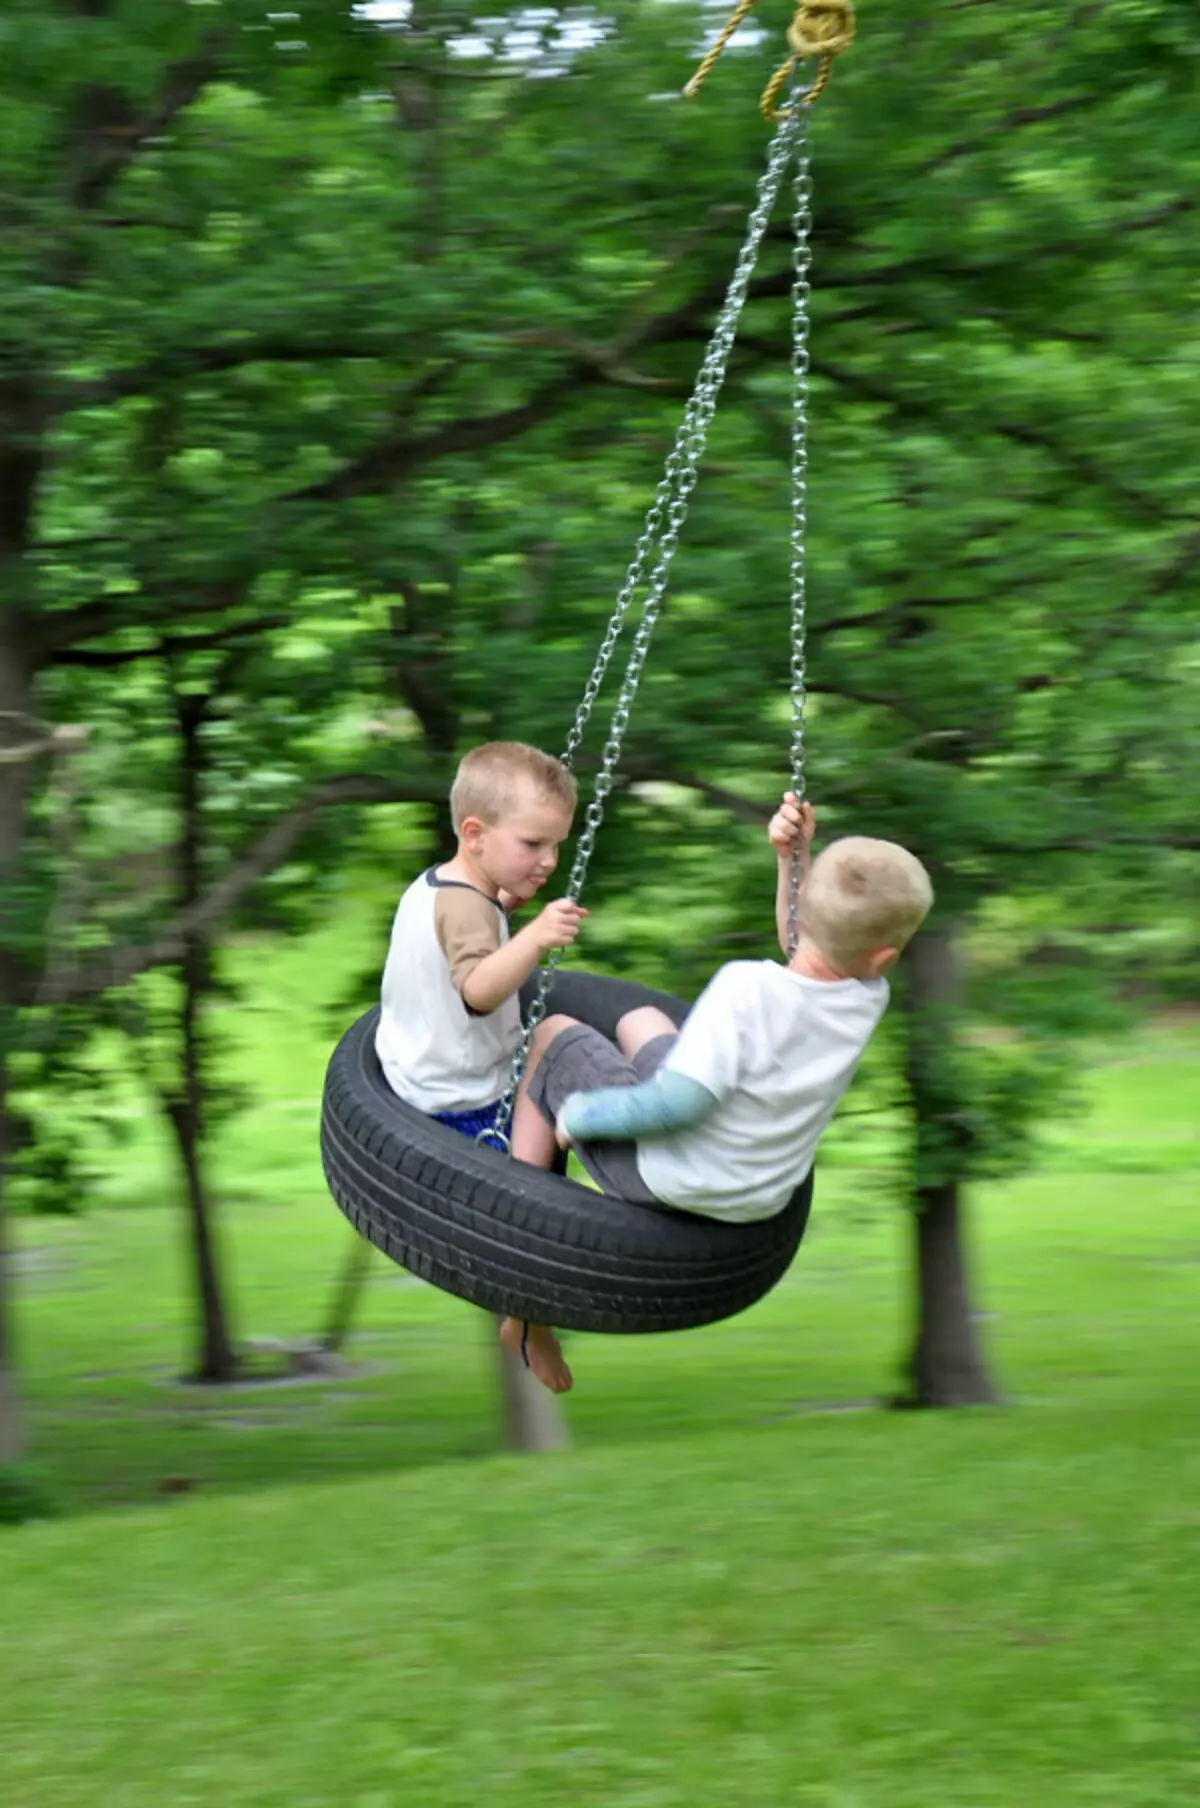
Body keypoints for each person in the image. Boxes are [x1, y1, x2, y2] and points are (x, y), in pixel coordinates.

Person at [507, 794, 934, 1394]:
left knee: (551, 1036)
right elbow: (812, 946)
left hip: (671, 1175)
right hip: (753, 1192)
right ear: (884, 956)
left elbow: (678, 1105)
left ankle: (523, 1298)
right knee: (640, 1022)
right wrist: (794, 859)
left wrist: (581, 1116)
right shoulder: (866, 997)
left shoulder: (745, 990)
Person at [376, 741, 586, 1151]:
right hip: (467, 1109)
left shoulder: (437, 886)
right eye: (532, 844)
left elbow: (452, 940)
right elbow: (478, 992)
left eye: (556, 844)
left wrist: (501, 910)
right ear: (475, 834)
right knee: (555, 1049)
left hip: (414, 1082)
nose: (550, 861)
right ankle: (531, 1193)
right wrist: (536, 935)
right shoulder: (468, 909)